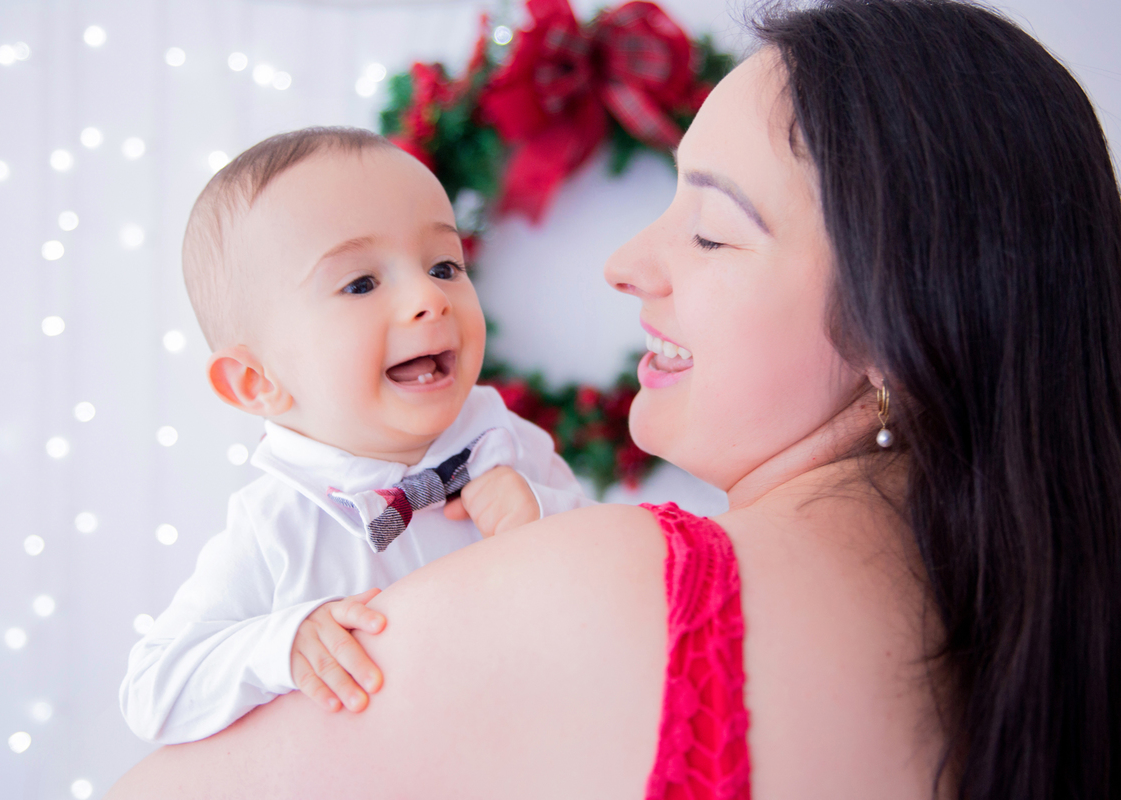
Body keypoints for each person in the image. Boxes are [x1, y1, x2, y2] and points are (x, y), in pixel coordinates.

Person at [106, 1, 1121, 797]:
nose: (627, 262)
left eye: (712, 230)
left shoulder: (609, 580)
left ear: (906, 317)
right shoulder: (1039, 629)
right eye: (361, 282)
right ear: (254, 380)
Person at [119, 129, 591, 745]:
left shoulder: (507, 444)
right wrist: (284, 642)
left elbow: (611, 587)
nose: (429, 297)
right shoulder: (276, 527)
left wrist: (546, 517)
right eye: (361, 283)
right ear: (258, 382)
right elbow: (152, 690)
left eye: (443, 266)